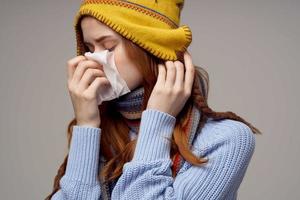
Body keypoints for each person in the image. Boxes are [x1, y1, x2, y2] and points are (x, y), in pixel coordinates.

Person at [46, 0, 262, 199]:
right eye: (90, 48)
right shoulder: (101, 134)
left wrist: (157, 121)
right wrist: (86, 125)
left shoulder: (226, 140)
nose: (94, 59)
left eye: (109, 47)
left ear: (149, 47)